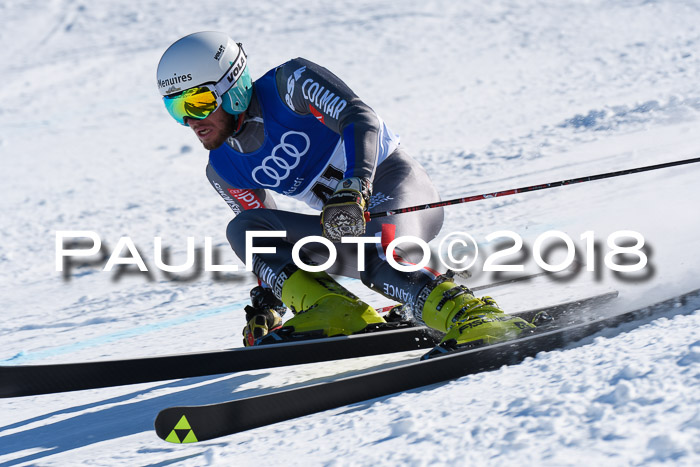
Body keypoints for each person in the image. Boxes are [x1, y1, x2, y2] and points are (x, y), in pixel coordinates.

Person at [156, 31, 533, 349]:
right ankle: (334, 309)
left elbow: (359, 116)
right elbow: (266, 241)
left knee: (374, 246)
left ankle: (473, 315)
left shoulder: (290, 84)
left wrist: (355, 186)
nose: (191, 119)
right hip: (341, 225)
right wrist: (269, 298)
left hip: (395, 187)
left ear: (232, 86)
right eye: (177, 109)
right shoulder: (223, 168)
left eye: (200, 101)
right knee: (245, 228)